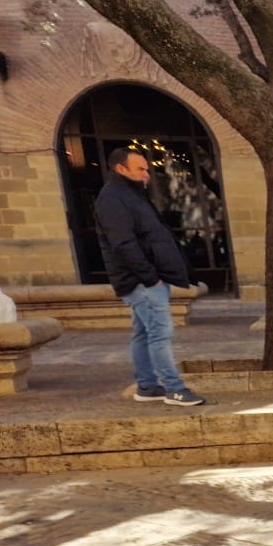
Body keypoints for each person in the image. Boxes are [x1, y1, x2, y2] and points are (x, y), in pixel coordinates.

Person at [94, 147, 204, 406]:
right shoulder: (112, 198)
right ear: (121, 169)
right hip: (141, 282)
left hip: (145, 280)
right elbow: (123, 244)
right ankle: (174, 388)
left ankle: (146, 386)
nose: (146, 174)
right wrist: (149, 277)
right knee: (159, 333)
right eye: (140, 169)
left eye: (146, 168)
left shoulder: (131, 195)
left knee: (144, 333)